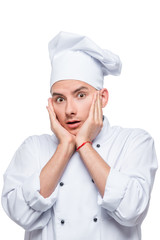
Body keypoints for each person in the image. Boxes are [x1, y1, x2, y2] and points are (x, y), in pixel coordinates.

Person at [1, 31, 158, 240]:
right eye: (59, 99)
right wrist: (64, 147)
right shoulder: (34, 147)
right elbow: (20, 213)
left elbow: (132, 210)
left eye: (80, 95)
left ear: (102, 98)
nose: (69, 110)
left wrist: (83, 144)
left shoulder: (134, 142)